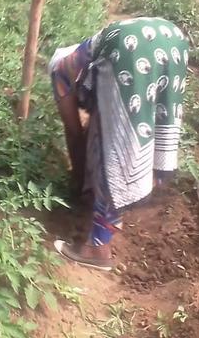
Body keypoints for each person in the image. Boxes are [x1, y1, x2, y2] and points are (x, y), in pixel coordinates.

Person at [49, 17, 189, 271]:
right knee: (150, 118)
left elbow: (74, 132)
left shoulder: (61, 72)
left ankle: (97, 250)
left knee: (115, 149)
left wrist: (80, 182)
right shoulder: (89, 56)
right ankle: (137, 187)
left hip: (129, 48)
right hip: (171, 39)